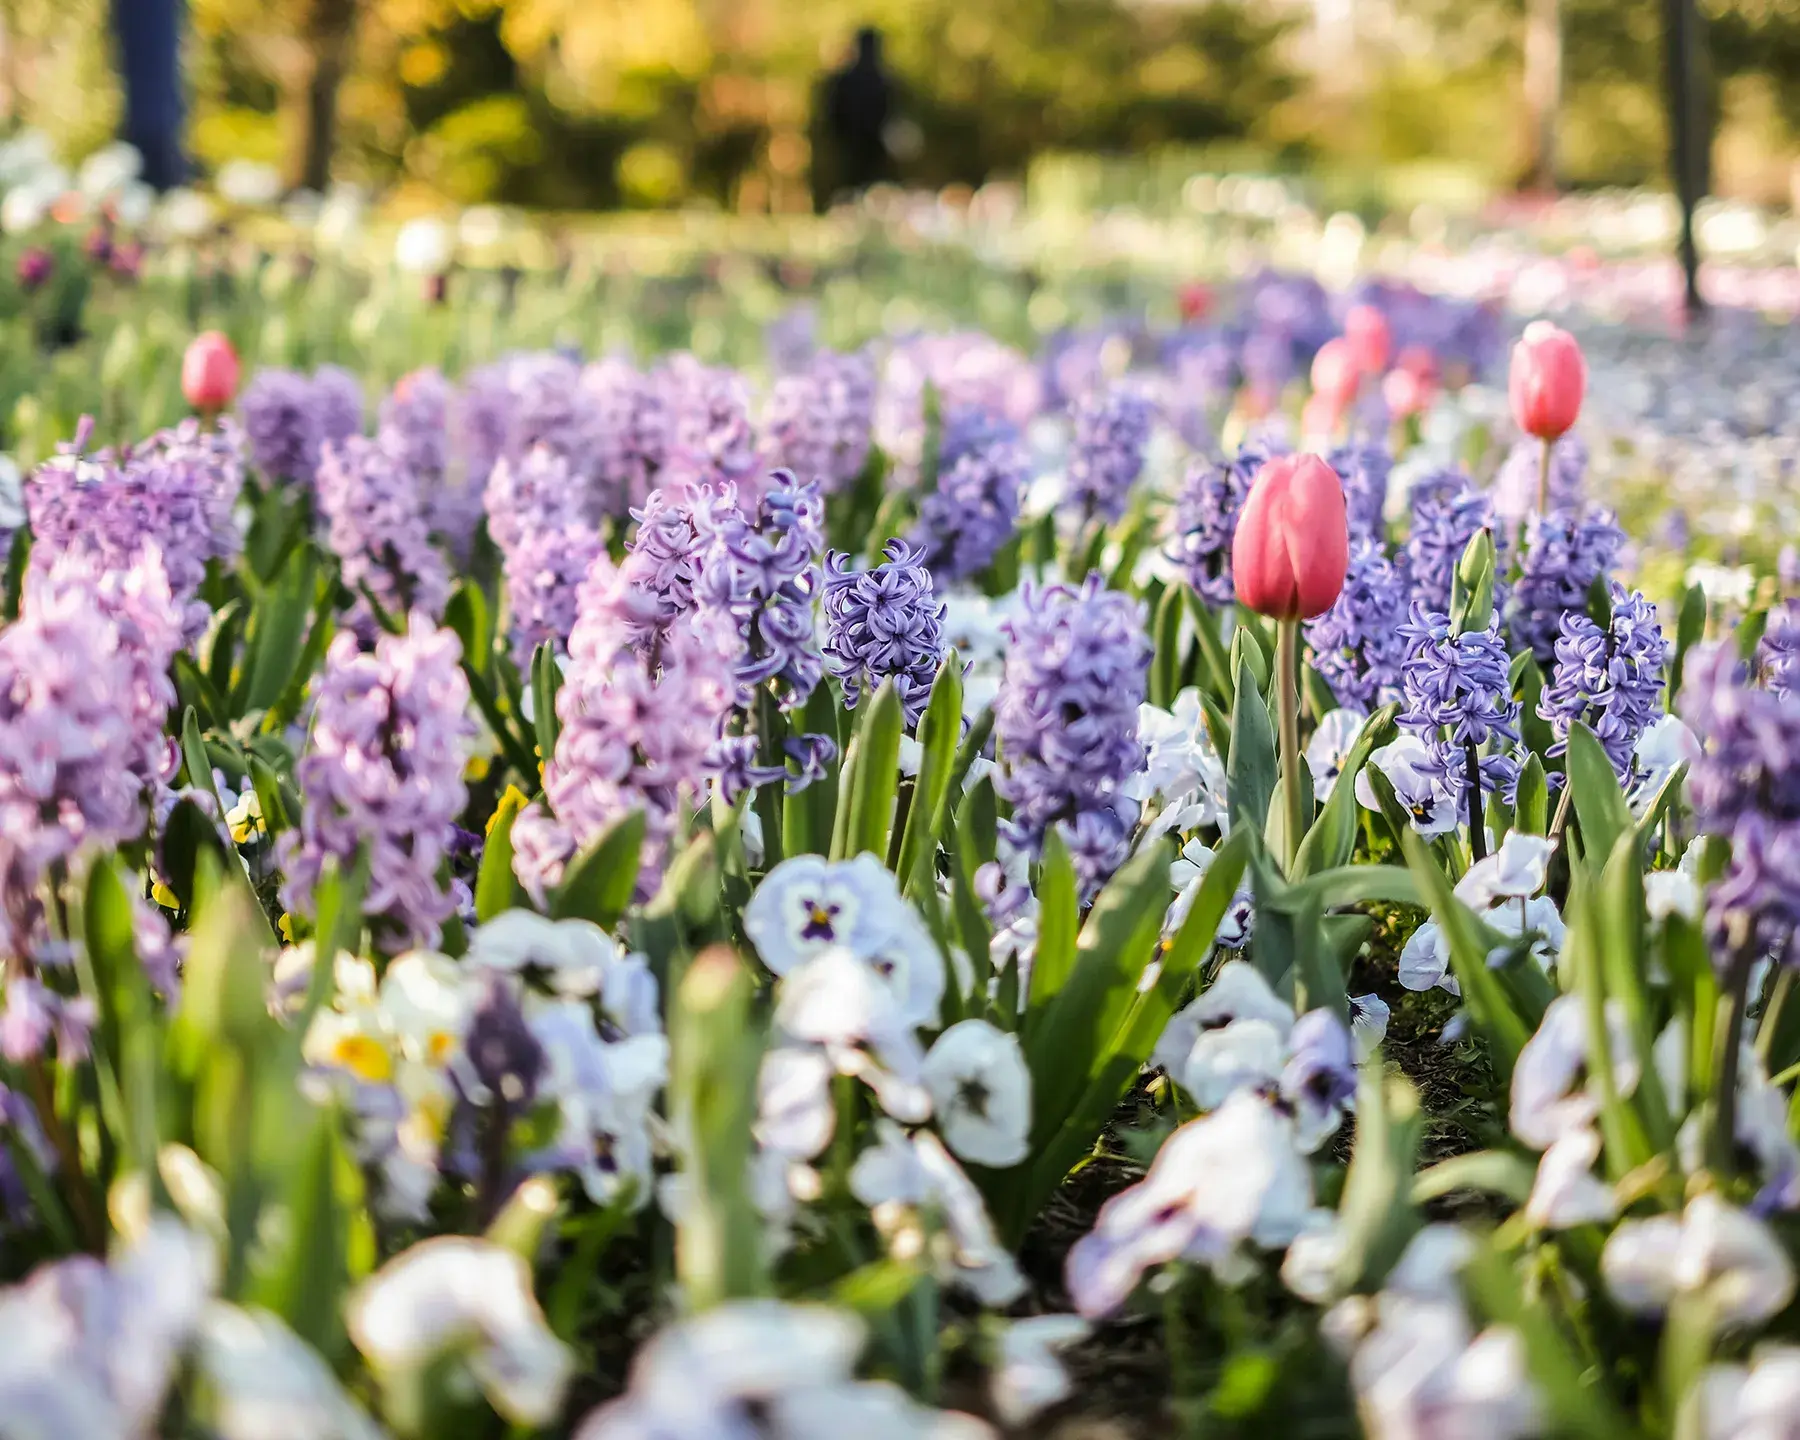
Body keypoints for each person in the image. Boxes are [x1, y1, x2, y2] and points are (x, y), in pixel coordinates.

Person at [814, 27, 894, 208]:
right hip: (863, 142)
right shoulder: (883, 79)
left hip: (856, 142)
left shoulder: (844, 79)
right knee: (865, 182)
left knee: (858, 182)